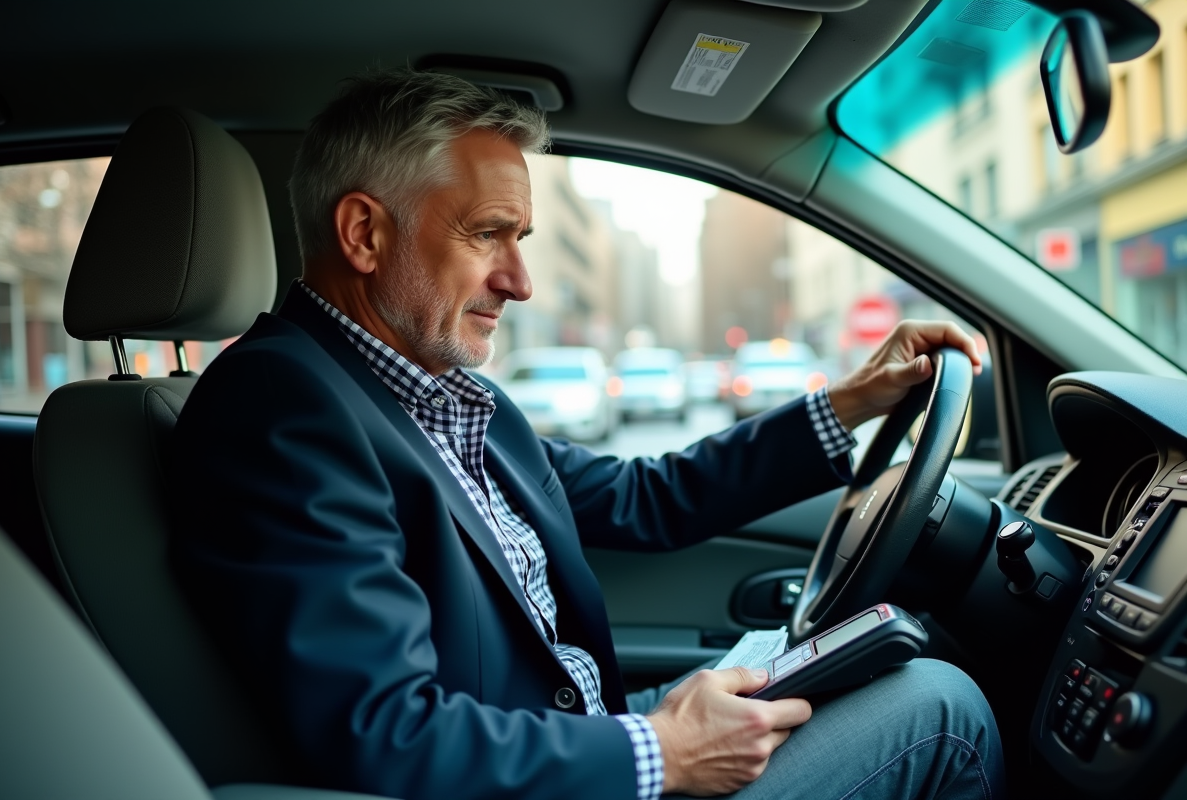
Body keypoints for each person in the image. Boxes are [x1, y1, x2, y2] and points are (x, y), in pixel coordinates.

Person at [171, 68, 1003, 800]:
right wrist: (659, 755)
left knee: (879, 668)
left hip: (580, 739)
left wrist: (854, 401)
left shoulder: (443, 398)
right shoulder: (284, 405)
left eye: (522, 239)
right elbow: (383, 732)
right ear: (364, 234)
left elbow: (649, 497)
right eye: (487, 232)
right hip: (555, 773)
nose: (521, 281)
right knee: (942, 708)